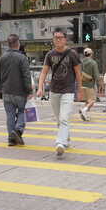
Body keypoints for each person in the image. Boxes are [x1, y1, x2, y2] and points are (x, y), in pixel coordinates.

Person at [37, 28, 82, 157]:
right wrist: (40, 88)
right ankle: (66, 139)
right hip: (54, 90)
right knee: (59, 119)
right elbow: (44, 72)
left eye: (60, 37)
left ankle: (60, 143)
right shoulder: (49, 55)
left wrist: (79, 90)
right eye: (55, 37)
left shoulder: (72, 54)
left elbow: (78, 73)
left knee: (64, 118)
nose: (58, 40)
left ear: (65, 39)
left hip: (68, 90)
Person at [0, 34, 32, 146]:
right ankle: (17, 131)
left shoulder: (2, 58)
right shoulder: (22, 58)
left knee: (10, 115)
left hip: (6, 92)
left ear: (8, 44)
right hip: (20, 92)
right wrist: (29, 90)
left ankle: (11, 139)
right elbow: (26, 75)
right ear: (18, 44)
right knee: (22, 112)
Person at [80, 48, 99, 121]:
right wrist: (100, 83)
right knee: (92, 100)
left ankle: (84, 114)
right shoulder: (93, 63)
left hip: (82, 84)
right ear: (91, 54)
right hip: (90, 85)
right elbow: (96, 75)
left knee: (87, 101)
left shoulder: (80, 62)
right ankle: (84, 110)